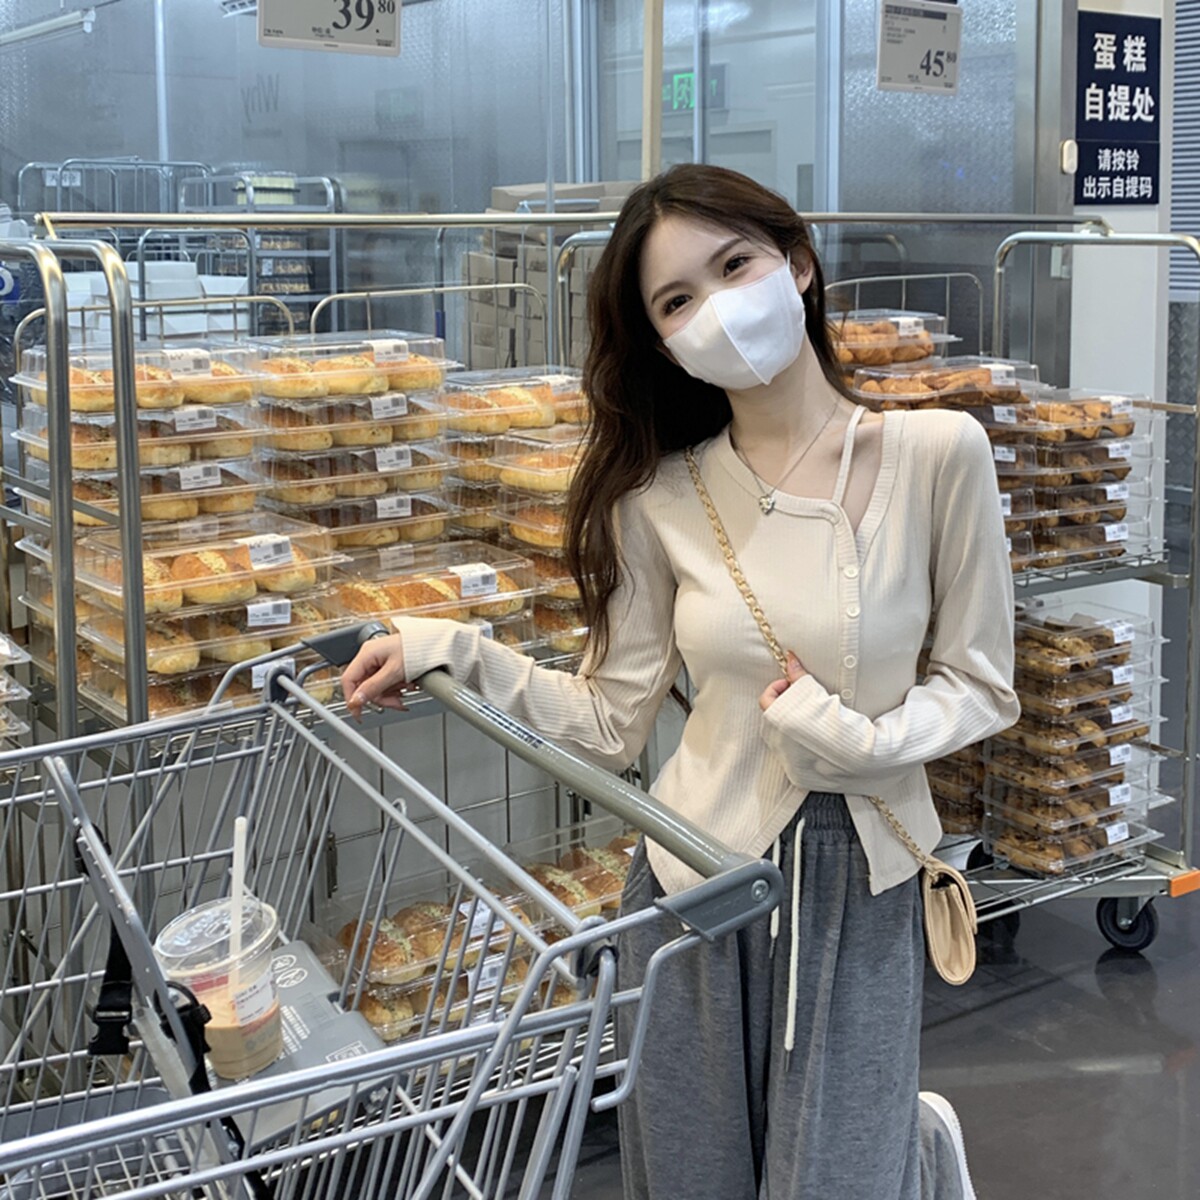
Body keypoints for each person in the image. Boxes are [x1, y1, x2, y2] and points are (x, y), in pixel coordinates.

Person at [341, 163, 1018, 1199]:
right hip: (696, 881)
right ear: (662, 343)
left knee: (838, 1177)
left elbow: (982, 683)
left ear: (797, 262)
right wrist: (455, 650)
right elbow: (610, 722)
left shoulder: (938, 454)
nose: (717, 308)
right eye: (676, 300)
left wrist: (869, 743)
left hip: (860, 884)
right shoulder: (657, 499)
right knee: (690, 1179)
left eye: (734, 265)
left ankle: (915, 1153)